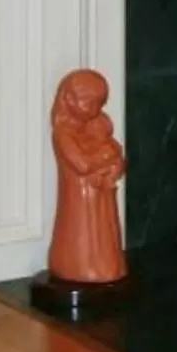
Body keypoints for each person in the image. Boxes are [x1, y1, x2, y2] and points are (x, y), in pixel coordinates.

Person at [46, 69, 127, 285]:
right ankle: (76, 267)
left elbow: (118, 153)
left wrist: (116, 165)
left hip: (102, 193)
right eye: (88, 102)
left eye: (99, 103)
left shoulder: (99, 124)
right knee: (82, 234)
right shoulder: (63, 133)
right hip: (79, 198)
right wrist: (106, 154)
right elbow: (81, 164)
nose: (94, 109)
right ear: (69, 99)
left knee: (105, 236)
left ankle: (108, 268)